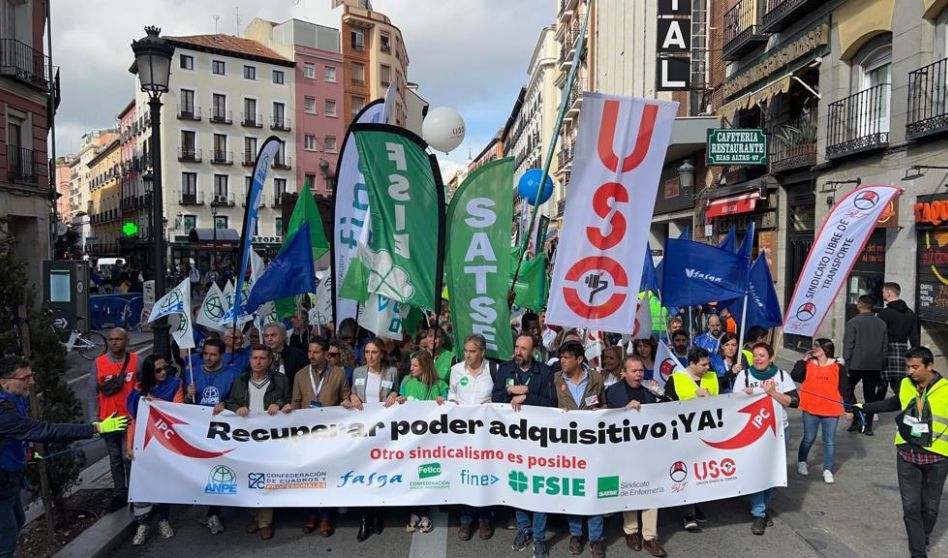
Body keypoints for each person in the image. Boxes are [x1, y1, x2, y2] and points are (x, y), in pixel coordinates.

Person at [0, 356, 128, 558]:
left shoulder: (13, 402)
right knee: (5, 543)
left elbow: (16, 436)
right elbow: (44, 430)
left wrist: (27, 454)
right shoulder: (3, 412)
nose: (31, 383)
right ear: (4, 382)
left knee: (17, 521)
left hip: (10, 480)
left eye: (31, 376)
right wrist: (96, 428)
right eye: (25, 378)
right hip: (2, 487)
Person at [862, 346, 948, 558]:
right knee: (911, 507)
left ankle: (921, 536)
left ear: (930, 366)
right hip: (907, 455)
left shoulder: (946, 389)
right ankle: (918, 553)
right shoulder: (905, 384)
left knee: (930, 509)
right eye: (908, 366)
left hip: (937, 458)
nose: (910, 371)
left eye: (915, 367)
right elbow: (894, 402)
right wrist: (864, 407)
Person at [216, 345, 290, 540]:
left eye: (262, 358)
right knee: (247, 478)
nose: (258, 362)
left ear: (270, 360)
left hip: (270, 439)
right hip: (245, 439)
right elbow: (231, 402)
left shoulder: (280, 380)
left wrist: (281, 404)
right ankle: (255, 516)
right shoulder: (240, 380)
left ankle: (265, 522)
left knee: (265, 479)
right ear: (250, 360)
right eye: (254, 358)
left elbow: (290, 401)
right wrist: (237, 407)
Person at [492, 333, 556, 558]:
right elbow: (494, 399)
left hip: (537, 439)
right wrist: (510, 391)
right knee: (518, 484)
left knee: (538, 487)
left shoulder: (545, 372)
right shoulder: (505, 369)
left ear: (533, 351)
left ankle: (539, 537)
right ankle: (523, 528)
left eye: (524, 349)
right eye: (517, 347)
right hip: (512, 439)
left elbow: (551, 404)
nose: (519, 352)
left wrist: (527, 396)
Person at [286, 337, 350, 537]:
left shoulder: (338, 374)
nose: (311, 356)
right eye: (309, 352)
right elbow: (296, 402)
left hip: (330, 434)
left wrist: (348, 402)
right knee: (309, 477)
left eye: (315, 352)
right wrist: (289, 410)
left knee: (327, 476)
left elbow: (344, 398)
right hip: (307, 435)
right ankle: (311, 515)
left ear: (325, 354)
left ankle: (326, 518)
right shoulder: (300, 375)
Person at [734, 342, 799, 535]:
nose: (758, 358)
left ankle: (763, 507)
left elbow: (795, 401)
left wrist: (773, 393)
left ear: (771, 358)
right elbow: (733, 404)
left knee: (773, 472)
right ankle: (759, 513)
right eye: (755, 355)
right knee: (757, 472)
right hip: (754, 433)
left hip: (778, 431)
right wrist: (743, 396)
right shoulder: (744, 376)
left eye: (762, 355)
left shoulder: (781, 376)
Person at [607, 354, 668, 557]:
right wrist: (625, 410)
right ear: (624, 372)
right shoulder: (613, 392)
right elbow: (607, 420)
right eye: (634, 371)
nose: (638, 374)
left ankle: (650, 537)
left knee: (651, 490)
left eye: (641, 370)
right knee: (631, 489)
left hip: (649, 450)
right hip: (625, 451)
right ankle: (631, 531)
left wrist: (660, 393)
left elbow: (669, 407)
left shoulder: (649, 389)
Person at [554, 341, 606, 558]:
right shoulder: (556, 379)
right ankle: (576, 533)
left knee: (594, 488)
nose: (562, 361)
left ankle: (596, 537)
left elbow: (604, 405)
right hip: (566, 445)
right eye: (561, 357)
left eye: (566, 358)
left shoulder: (596, 379)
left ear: (579, 359)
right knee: (573, 488)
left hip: (591, 444)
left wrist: (601, 410)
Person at [125, 355, 183, 546]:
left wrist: (156, 402)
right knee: (142, 483)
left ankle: (163, 520)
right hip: (144, 443)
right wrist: (129, 445)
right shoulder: (139, 388)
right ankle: (142, 524)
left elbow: (178, 411)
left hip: (166, 443)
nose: (163, 372)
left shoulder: (175, 384)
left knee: (163, 483)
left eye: (165, 368)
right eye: (158, 370)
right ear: (149, 372)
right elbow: (133, 417)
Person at [185, 338, 239, 534]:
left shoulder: (233, 374)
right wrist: (187, 394)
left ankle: (213, 511)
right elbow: (182, 405)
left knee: (218, 467)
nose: (208, 358)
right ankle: (209, 510)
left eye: (213, 354)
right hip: (198, 430)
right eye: (206, 354)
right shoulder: (192, 373)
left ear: (221, 355)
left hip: (221, 429)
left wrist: (226, 404)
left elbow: (238, 399)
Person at [348, 338, 399, 541]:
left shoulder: (391, 372)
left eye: (374, 352)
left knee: (379, 471)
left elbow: (396, 391)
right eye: (367, 352)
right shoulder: (359, 372)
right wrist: (352, 396)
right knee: (364, 471)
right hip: (363, 429)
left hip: (383, 429)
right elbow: (354, 392)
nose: (370, 356)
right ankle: (364, 518)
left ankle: (378, 513)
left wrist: (395, 394)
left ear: (382, 354)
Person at [447, 334, 496, 541]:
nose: (468, 355)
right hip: (463, 434)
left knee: (484, 473)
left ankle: (485, 517)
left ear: (482, 352)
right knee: (466, 473)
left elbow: (498, 398)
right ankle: (466, 519)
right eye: (466, 351)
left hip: (486, 433)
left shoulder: (493, 370)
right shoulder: (456, 370)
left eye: (472, 351)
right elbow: (452, 395)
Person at [87, 327, 139, 512]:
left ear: (126, 341)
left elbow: (143, 385)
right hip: (108, 419)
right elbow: (92, 392)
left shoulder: (135, 360)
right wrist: (94, 419)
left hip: (129, 419)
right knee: (115, 458)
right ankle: (119, 493)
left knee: (128, 456)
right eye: (111, 339)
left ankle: (134, 493)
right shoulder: (99, 363)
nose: (114, 342)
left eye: (118, 339)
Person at [396, 350, 447, 534]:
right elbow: (398, 405)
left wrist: (445, 401)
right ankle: (413, 513)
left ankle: (425, 514)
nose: (412, 368)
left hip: (432, 441)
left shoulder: (440, 385)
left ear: (425, 366)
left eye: (416, 365)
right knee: (412, 475)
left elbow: (452, 409)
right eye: (412, 364)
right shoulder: (406, 382)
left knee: (426, 476)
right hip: (410, 439)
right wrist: (398, 399)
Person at [791, 338, 852, 484]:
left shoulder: (838, 367)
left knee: (829, 441)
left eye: (817, 346)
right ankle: (802, 461)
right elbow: (795, 376)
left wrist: (849, 409)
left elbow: (846, 389)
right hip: (810, 408)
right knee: (809, 438)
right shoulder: (808, 364)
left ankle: (827, 469)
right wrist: (803, 360)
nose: (814, 348)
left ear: (826, 349)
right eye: (814, 345)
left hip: (831, 410)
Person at [844, 295, 888, 436]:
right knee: (870, 396)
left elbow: (848, 345)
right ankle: (868, 426)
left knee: (847, 390)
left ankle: (857, 415)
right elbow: (885, 346)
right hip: (874, 364)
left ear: (860, 305)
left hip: (856, 364)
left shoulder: (853, 322)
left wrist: (847, 362)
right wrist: (882, 363)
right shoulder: (881, 323)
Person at [878, 282, 920, 398]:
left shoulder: (884, 314)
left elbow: (878, 336)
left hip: (885, 351)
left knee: (880, 387)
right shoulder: (910, 314)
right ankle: (909, 412)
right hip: (902, 352)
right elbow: (914, 338)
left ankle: (871, 414)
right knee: (900, 388)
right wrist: (915, 359)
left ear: (888, 293)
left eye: (883, 292)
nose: (882, 294)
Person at [262, 322, 308, 386]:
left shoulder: (298, 356)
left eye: (273, 335)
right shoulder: (260, 356)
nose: (269, 339)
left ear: (283, 336)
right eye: (266, 336)